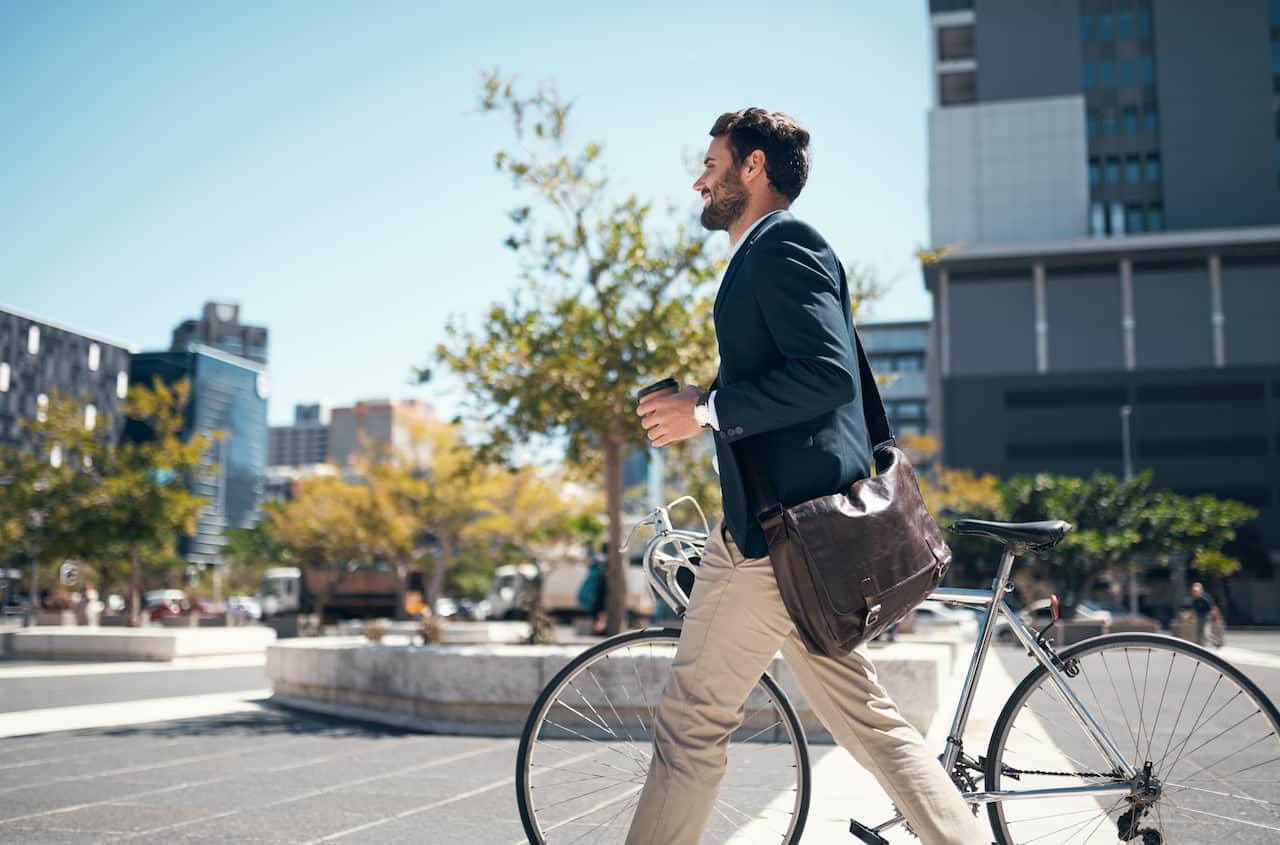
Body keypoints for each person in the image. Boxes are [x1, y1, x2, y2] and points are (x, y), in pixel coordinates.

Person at [629, 109, 988, 845]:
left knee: (692, 721)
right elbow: (813, 383)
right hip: (803, 543)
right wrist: (704, 403)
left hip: (771, 542)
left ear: (752, 167)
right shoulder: (770, 255)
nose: (699, 179)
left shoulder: (781, 245)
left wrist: (707, 408)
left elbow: (825, 375)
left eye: (711, 162)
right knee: (874, 726)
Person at [1182, 581, 1223, 647]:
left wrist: (1218, 618)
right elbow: (1193, 610)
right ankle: (1200, 645)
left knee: (1206, 632)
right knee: (1199, 632)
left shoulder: (1205, 598)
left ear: (1200, 591)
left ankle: (1215, 642)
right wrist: (1188, 617)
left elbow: (1214, 608)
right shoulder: (1194, 600)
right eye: (1193, 591)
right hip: (1199, 617)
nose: (1194, 593)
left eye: (1196, 591)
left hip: (1206, 617)